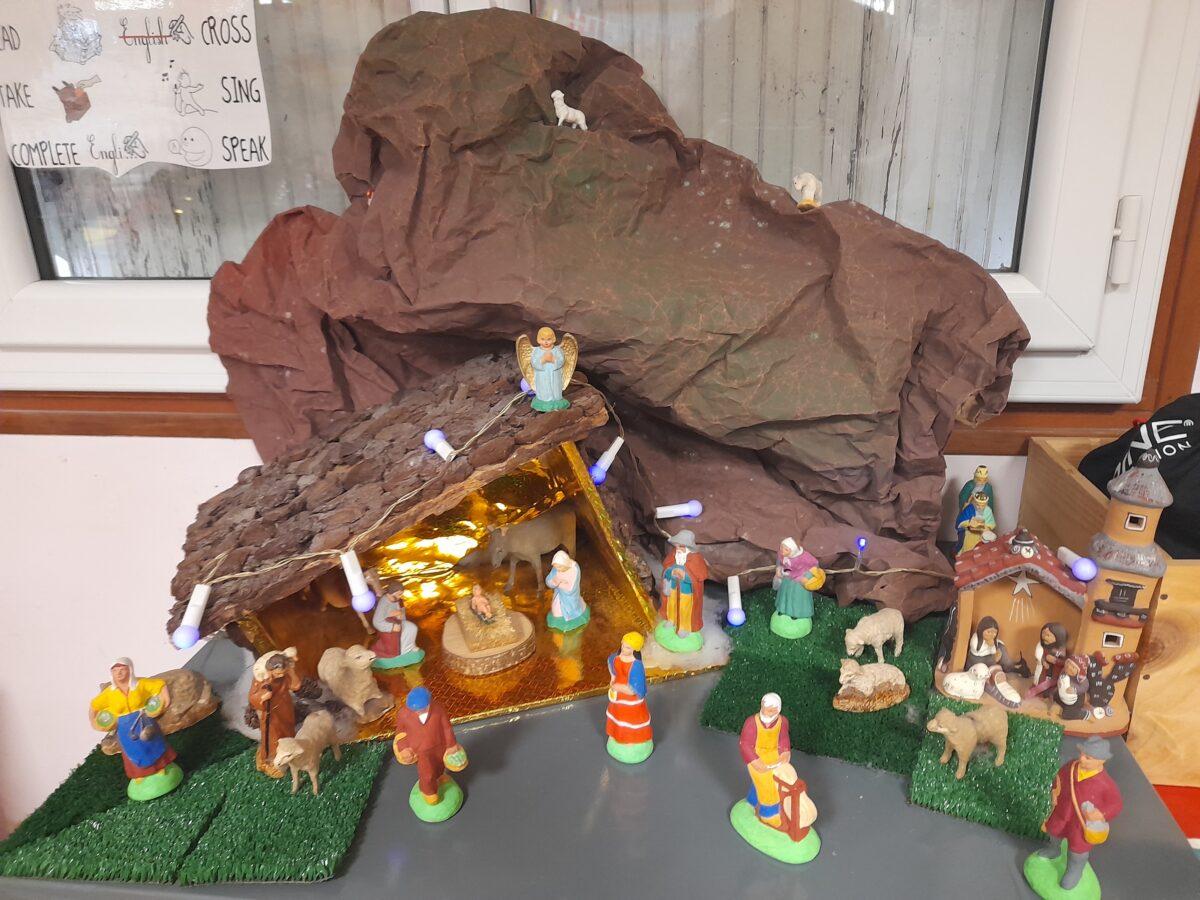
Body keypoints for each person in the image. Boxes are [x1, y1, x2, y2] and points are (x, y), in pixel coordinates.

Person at [1034, 737, 1123, 892]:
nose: (1082, 758)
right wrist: (1054, 792)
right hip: (1062, 812)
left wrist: (1101, 814)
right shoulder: (1071, 767)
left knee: (1078, 850)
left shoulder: (1105, 783)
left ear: (1101, 761)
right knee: (1054, 832)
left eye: (1088, 757)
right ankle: (1054, 850)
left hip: (1081, 823)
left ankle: (1074, 871)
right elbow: (1059, 779)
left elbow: (1116, 804)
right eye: (1081, 753)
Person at [89, 657, 183, 800]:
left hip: (143, 721)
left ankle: (161, 768)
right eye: (115, 670)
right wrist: (94, 722)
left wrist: (164, 702)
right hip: (125, 727)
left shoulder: (140, 684)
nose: (119, 673)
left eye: (122, 669)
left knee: (152, 745)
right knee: (132, 750)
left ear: (130, 669)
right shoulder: (109, 693)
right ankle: (139, 774)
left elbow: (160, 685)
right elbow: (94, 706)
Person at [393, 687, 466, 811]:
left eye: (422, 708)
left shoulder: (438, 709)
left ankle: (439, 778)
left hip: (439, 745)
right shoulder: (403, 714)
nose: (418, 711)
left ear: (429, 703)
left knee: (439, 766)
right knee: (427, 773)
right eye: (415, 709)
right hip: (420, 751)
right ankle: (428, 792)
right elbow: (400, 733)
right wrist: (403, 747)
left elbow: (446, 728)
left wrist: (451, 745)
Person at [739, 693, 791, 828]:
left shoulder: (782, 722)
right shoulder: (751, 723)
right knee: (768, 784)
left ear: (778, 709)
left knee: (781, 779)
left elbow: (783, 739)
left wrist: (785, 752)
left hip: (774, 754)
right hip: (757, 756)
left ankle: (752, 801)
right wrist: (755, 761)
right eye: (766, 709)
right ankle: (768, 815)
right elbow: (745, 745)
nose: (768, 713)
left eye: (772, 710)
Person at [248, 647, 301, 777]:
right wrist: (263, 697)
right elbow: (253, 697)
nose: (281, 676)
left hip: (285, 708)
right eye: (278, 674)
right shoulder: (261, 680)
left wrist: (291, 671)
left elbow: (296, 685)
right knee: (273, 737)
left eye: (283, 673)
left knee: (288, 731)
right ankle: (270, 760)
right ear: (270, 670)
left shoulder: (284, 675)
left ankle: (289, 751)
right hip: (270, 714)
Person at [606, 632, 653, 762]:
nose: (623, 648)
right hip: (618, 698)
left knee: (630, 721)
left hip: (630, 701)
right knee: (617, 717)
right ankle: (616, 735)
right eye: (622, 645)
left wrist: (618, 687)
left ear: (634, 649)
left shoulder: (636, 666)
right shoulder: (616, 658)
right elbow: (610, 663)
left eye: (627, 647)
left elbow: (634, 690)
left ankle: (632, 740)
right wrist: (613, 678)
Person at [660, 530, 708, 640]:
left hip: (686, 590)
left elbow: (699, 577)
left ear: (688, 547)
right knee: (671, 604)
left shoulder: (696, 559)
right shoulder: (673, 555)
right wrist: (671, 572)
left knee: (685, 608)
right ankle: (671, 620)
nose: (678, 549)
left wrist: (685, 576)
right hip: (672, 587)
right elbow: (667, 567)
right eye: (676, 546)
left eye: (681, 546)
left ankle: (684, 627)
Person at [772, 538, 824, 639]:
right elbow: (779, 561)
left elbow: (815, 566)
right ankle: (783, 610)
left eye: (786, 549)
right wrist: (778, 568)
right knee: (785, 596)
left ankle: (798, 614)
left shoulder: (805, 557)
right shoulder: (782, 555)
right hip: (787, 581)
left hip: (799, 585)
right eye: (782, 548)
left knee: (797, 600)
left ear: (793, 550)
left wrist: (806, 577)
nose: (782, 551)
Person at [965, 616, 1029, 676]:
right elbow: (976, 650)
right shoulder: (976, 639)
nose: (991, 635)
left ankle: (1015, 667)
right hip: (977, 661)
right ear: (981, 630)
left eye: (994, 632)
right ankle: (1016, 668)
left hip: (990, 657)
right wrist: (990, 648)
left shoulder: (994, 641)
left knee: (1001, 649)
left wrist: (992, 645)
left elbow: (993, 651)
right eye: (988, 632)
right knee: (992, 666)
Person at [545, 550, 588, 630]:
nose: (557, 569)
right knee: (556, 611)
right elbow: (548, 580)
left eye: (559, 567)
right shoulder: (556, 567)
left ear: (565, 564)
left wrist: (560, 584)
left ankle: (573, 615)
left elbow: (571, 589)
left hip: (570, 598)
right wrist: (554, 582)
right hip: (559, 594)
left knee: (568, 610)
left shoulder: (574, 569)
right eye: (556, 567)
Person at [1025, 623, 1070, 699]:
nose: (1045, 637)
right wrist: (1043, 661)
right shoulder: (1043, 646)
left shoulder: (1061, 649)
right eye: (1043, 634)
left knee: (1050, 685)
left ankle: (1040, 691)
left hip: (1054, 674)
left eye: (1048, 635)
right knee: (1040, 681)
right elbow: (1040, 656)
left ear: (1058, 637)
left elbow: (1064, 662)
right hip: (1044, 671)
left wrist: (1055, 660)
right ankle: (1038, 689)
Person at [530, 326, 569, 412]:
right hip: (542, 375)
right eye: (543, 339)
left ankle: (556, 400)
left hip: (555, 374)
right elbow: (534, 363)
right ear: (538, 339)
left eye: (549, 339)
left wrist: (553, 359)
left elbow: (561, 361)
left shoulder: (557, 350)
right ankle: (544, 400)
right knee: (544, 388)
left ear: (553, 339)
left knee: (555, 386)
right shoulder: (537, 351)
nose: (546, 342)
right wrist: (543, 360)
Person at [1053, 655, 1091, 721]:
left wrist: (1074, 690)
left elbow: (1085, 687)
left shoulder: (1082, 679)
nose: (1068, 667)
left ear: (1079, 671)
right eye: (1068, 663)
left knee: (1066, 714)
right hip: (1063, 694)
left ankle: (1083, 714)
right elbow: (1061, 677)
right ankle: (1064, 705)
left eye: (1073, 667)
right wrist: (1059, 682)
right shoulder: (1064, 671)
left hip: (1075, 699)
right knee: (1055, 694)